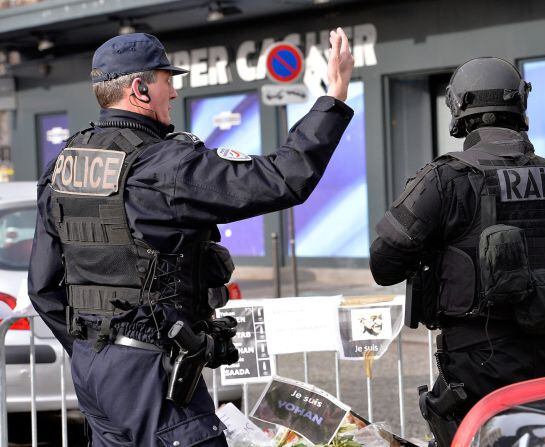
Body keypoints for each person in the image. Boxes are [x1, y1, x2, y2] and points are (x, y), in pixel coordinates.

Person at [29, 29, 354, 446]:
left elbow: (42, 286)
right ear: (139, 88)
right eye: (168, 81)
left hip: (94, 372)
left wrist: (94, 350)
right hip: (150, 374)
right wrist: (335, 98)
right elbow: (283, 177)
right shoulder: (164, 165)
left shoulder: (64, 164)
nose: (175, 93)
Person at [369, 57, 545, 446]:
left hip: (475, 365)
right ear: (519, 107)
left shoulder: (444, 178)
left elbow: (384, 262)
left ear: (460, 109)